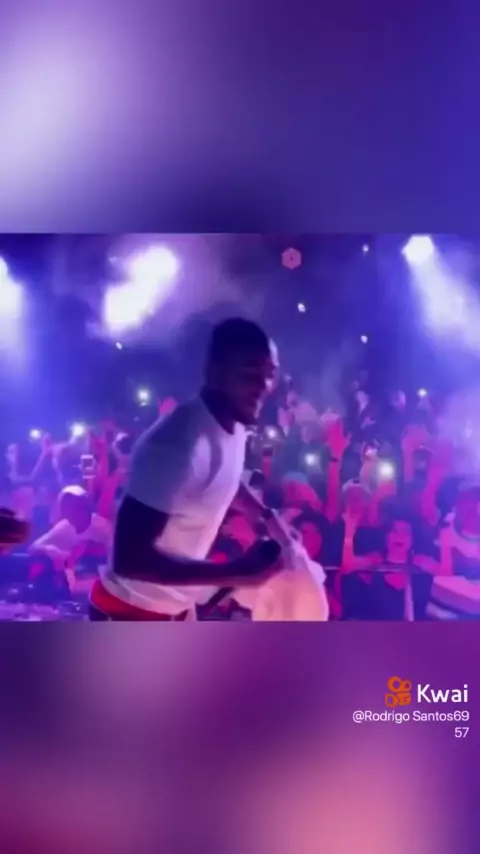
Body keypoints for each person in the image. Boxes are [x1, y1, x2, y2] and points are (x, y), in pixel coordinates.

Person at [89, 318, 285, 621]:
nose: (263, 385)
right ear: (215, 371)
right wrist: (235, 573)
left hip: (175, 611)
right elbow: (128, 559)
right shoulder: (176, 445)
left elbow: (222, 475)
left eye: (270, 374)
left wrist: (263, 514)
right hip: (130, 611)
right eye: (250, 372)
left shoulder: (234, 424)